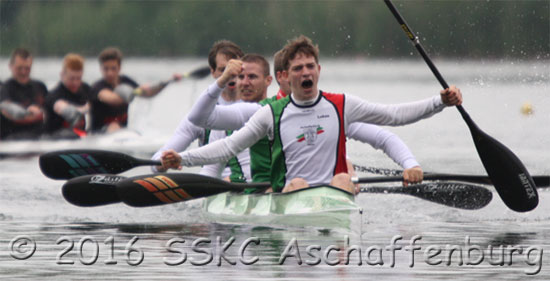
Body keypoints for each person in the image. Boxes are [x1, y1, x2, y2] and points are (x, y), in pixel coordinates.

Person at [161, 35, 463, 194]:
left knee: (345, 179)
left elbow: (394, 116)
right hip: (290, 194)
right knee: (299, 185)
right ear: (285, 77)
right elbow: (228, 147)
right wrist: (183, 158)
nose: (305, 73)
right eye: (297, 69)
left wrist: (440, 102)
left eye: (310, 67)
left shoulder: (341, 104)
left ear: (318, 71)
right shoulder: (269, 114)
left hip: (335, 192)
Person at [151, 40, 245, 180]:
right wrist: (164, 162)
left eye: (234, 69)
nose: (231, 75)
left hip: (250, 182)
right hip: (216, 186)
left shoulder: (258, 107)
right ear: (212, 72)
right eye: (223, 70)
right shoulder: (200, 116)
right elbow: (155, 163)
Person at [89, 47, 181, 133]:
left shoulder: (126, 81)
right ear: (101, 69)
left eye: (113, 68)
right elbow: (113, 99)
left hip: (121, 133)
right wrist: (137, 91)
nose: (109, 73)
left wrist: (168, 82)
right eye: (106, 69)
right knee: (114, 125)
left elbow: (149, 94)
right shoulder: (97, 87)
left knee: (122, 128)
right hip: (98, 134)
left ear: (119, 68)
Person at [0, 48, 48, 140]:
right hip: (13, 138)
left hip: (39, 138)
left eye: (27, 68)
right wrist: (28, 112)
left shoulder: (40, 86)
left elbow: (50, 112)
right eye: (19, 68)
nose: (23, 72)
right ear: (11, 66)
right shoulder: (4, 89)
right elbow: (6, 110)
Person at [43, 53, 90, 139]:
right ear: (62, 75)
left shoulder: (86, 89)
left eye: (78, 78)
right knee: (72, 134)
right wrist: (88, 107)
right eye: (71, 78)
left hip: (79, 136)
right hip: (55, 138)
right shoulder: (53, 95)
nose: (75, 83)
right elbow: (64, 109)